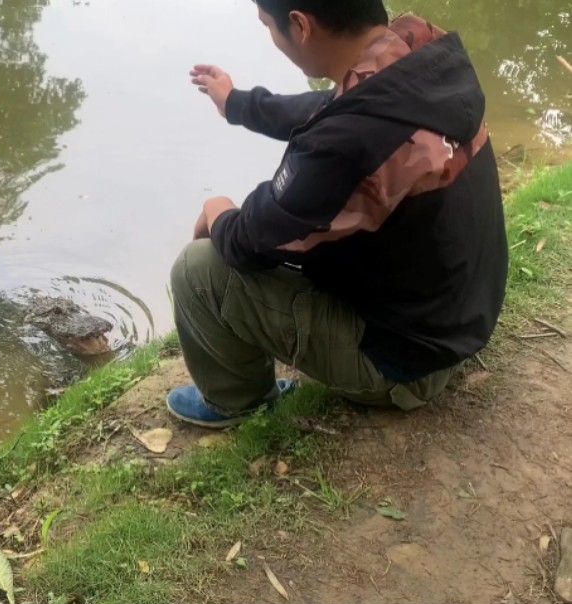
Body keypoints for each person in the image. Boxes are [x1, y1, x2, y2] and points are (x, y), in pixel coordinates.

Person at [167, 0, 508, 428]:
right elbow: (332, 106)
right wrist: (239, 104)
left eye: (269, 28)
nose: (271, 40)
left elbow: (245, 242)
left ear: (300, 25)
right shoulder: (421, 49)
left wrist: (213, 210)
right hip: (459, 318)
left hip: (406, 364)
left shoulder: (342, 146)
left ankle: (238, 401)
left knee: (197, 270)